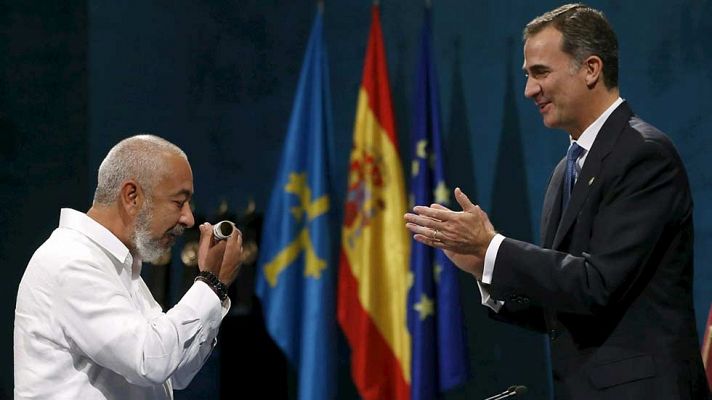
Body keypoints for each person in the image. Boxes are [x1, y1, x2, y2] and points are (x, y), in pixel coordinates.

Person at [405, 3, 708, 399]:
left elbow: (596, 285)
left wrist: (493, 246)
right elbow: (561, 304)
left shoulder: (644, 155)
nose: (529, 90)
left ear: (591, 69)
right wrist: (484, 266)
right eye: (527, 75)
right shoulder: (564, 173)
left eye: (540, 73)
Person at [14, 134, 243, 399]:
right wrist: (210, 286)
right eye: (179, 202)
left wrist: (214, 288)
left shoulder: (119, 267)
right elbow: (151, 362)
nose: (189, 218)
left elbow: (176, 371)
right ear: (132, 196)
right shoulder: (70, 261)